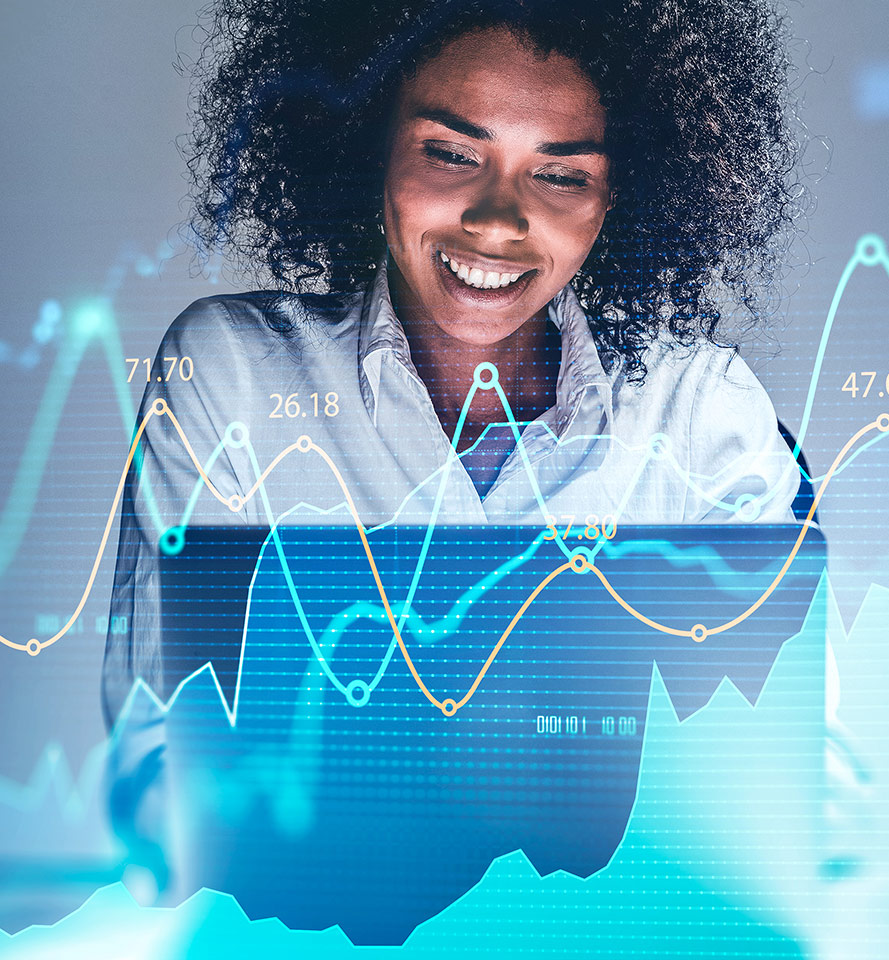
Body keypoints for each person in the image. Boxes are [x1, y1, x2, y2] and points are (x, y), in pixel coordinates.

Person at [102, 0, 806, 929]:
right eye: (450, 153)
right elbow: (161, 768)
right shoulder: (233, 373)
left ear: (615, 198)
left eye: (561, 174)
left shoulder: (699, 414)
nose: (500, 219)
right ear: (369, 146)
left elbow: (769, 802)